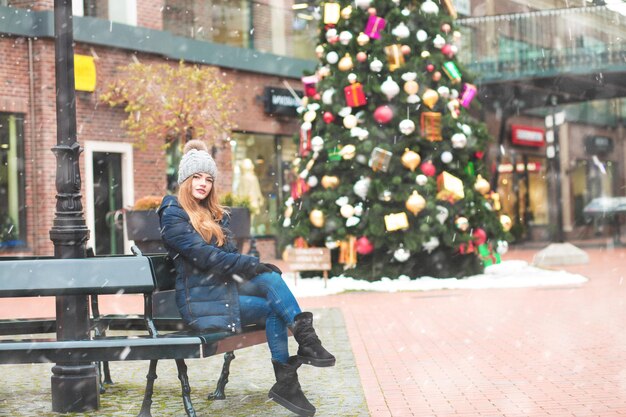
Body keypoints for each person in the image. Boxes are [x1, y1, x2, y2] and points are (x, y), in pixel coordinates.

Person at [158, 139, 335, 417]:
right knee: (272, 298)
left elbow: (228, 261)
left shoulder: (214, 214)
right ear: (185, 180)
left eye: (208, 178)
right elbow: (206, 258)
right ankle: (294, 370)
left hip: (222, 292)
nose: (203, 184)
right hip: (202, 302)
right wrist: (252, 265)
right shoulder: (173, 214)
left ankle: (296, 364)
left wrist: (258, 267)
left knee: (272, 282)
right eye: (196, 177)